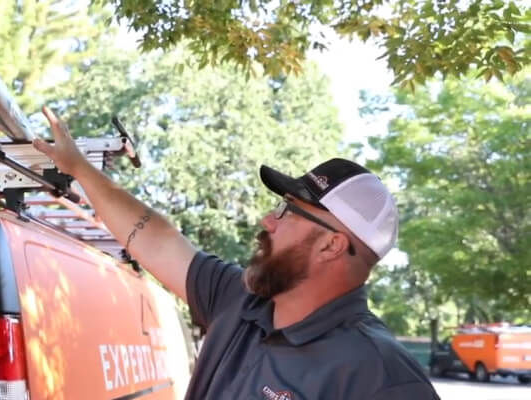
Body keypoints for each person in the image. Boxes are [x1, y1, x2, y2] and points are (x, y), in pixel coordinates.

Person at [34, 107, 440, 399]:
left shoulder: (381, 378)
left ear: (333, 244)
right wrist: (81, 171)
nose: (269, 220)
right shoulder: (239, 301)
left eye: (289, 211)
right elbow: (157, 239)